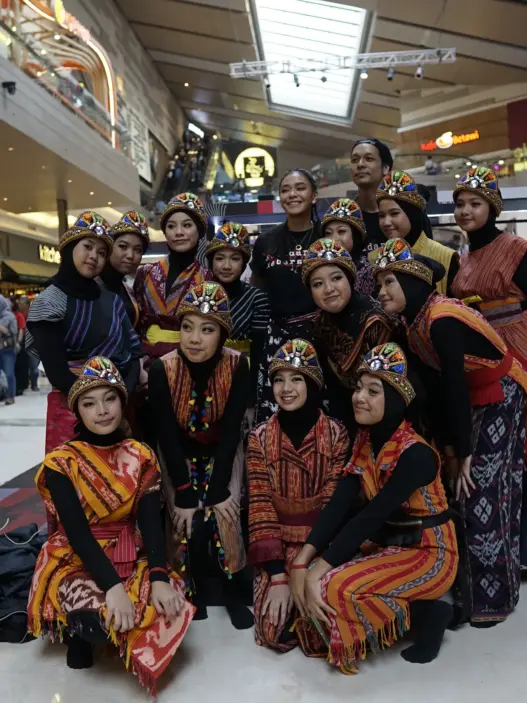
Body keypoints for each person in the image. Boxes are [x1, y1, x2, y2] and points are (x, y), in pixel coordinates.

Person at [374, 239, 527, 626]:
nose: (381, 291)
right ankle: (474, 590)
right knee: (472, 492)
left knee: (483, 491)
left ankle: (493, 598)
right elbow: (438, 391)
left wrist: (465, 452)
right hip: (472, 401)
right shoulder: (414, 322)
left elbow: (455, 386)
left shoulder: (440, 318)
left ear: (411, 282)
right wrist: (450, 447)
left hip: (501, 393)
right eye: (379, 284)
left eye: (389, 282)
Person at [27, 357, 194, 693]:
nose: (102, 411)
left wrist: (159, 578)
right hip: (75, 559)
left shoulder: (141, 455)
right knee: (98, 619)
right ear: (78, 411)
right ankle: (80, 632)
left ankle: (116, 627)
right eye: (90, 403)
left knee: (172, 601)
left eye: (110, 399)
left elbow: (151, 524)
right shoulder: (62, 463)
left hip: (130, 555)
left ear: (122, 401)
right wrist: (113, 588)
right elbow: (77, 534)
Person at [291, 342, 458, 672]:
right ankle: (420, 610)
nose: (359, 397)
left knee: (330, 586)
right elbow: (339, 505)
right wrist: (302, 561)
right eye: (358, 388)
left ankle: (427, 615)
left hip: (429, 553)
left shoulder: (415, 454)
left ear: (395, 399)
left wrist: (318, 570)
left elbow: (371, 515)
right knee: (305, 577)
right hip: (388, 544)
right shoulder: (366, 441)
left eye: (373, 391)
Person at [148, 282, 253, 630]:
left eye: (207, 330)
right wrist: (183, 489)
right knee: (182, 519)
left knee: (226, 513)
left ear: (222, 334)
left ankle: (233, 590)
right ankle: (188, 587)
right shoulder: (162, 369)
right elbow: (166, 434)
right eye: (187, 327)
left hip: (223, 452)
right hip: (176, 454)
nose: (194, 339)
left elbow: (232, 430)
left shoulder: (238, 364)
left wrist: (219, 486)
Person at [247, 339, 349, 652]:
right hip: (277, 548)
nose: (286, 388)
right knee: (272, 631)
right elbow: (260, 506)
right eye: (279, 379)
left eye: (296, 379)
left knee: (321, 633)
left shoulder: (336, 434)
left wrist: (308, 567)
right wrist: (279, 577)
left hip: (319, 545)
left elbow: (333, 505)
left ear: (313, 383)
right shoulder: (259, 437)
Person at [26, 211, 141, 454]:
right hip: (71, 407)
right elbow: (57, 371)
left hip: (117, 406)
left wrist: (119, 400)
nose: (94, 257)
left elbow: (132, 356)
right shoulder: (50, 300)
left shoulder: (112, 301)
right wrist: (92, 404)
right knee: (73, 472)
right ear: (70, 248)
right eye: (88, 247)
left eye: (102, 252)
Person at [250, 168, 322, 421]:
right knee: (278, 410)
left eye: (300, 188)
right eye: (285, 190)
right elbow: (257, 290)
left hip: (321, 336)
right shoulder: (266, 242)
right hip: (276, 338)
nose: (292, 194)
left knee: (319, 408)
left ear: (314, 195)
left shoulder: (326, 236)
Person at [301, 238, 392, 427]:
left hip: (383, 420)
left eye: (336, 278)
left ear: (350, 279)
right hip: (344, 420)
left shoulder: (376, 321)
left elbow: (390, 390)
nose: (329, 289)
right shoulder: (319, 324)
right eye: (317, 284)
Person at [451, 167, 527, 367]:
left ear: (492, 208)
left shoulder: (515, 248)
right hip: (479, 354)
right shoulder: (463, 259)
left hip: (517, 347)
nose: (465, 211)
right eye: (460, 204)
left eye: (475, 204)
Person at [134, 193, 211, 363]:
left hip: (190, 362)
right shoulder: (145, 273)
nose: (179, 232)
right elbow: (136, 326)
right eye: (171, 226)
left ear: (199, 230)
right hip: (145, 363)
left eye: (187, 225)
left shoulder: (208, 279)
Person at [206, 221, 270, 410]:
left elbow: (258, 353)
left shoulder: (257, 298)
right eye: (220, 258)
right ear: (211, 261)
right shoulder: (201, 294)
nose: (226, 266)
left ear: (243, 263)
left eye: (235, 259)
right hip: (204, 377)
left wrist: (251, 400)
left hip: (241, 376)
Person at [376, 171, 459, 294]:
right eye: (381, 215)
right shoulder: (376, 258)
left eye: (394, 213)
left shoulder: (446, 257)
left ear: (412, 215)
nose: (386, 222)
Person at [102, 211, 150, 328]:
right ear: (110, 247)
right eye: (123, 247)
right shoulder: (90, 286)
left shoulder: (129, 291)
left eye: (138, 250)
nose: (130, 255)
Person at [320, 198, 374, 295]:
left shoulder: (369, 273)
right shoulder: (320, 269)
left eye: (341, 231)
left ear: (355, 235)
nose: (333, 239)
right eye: (328, 233)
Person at [349, 138, 393, 254]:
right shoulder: (345, 217)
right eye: (354, 160)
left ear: (385, 168)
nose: (360, 164)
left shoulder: (405, 214)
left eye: (369, 159)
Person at [0, 294, 18, 405]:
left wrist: (4, 330)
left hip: (7, 350)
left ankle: (11, 396)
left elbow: (14, 333)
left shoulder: (10, 316)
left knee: (9, 374)